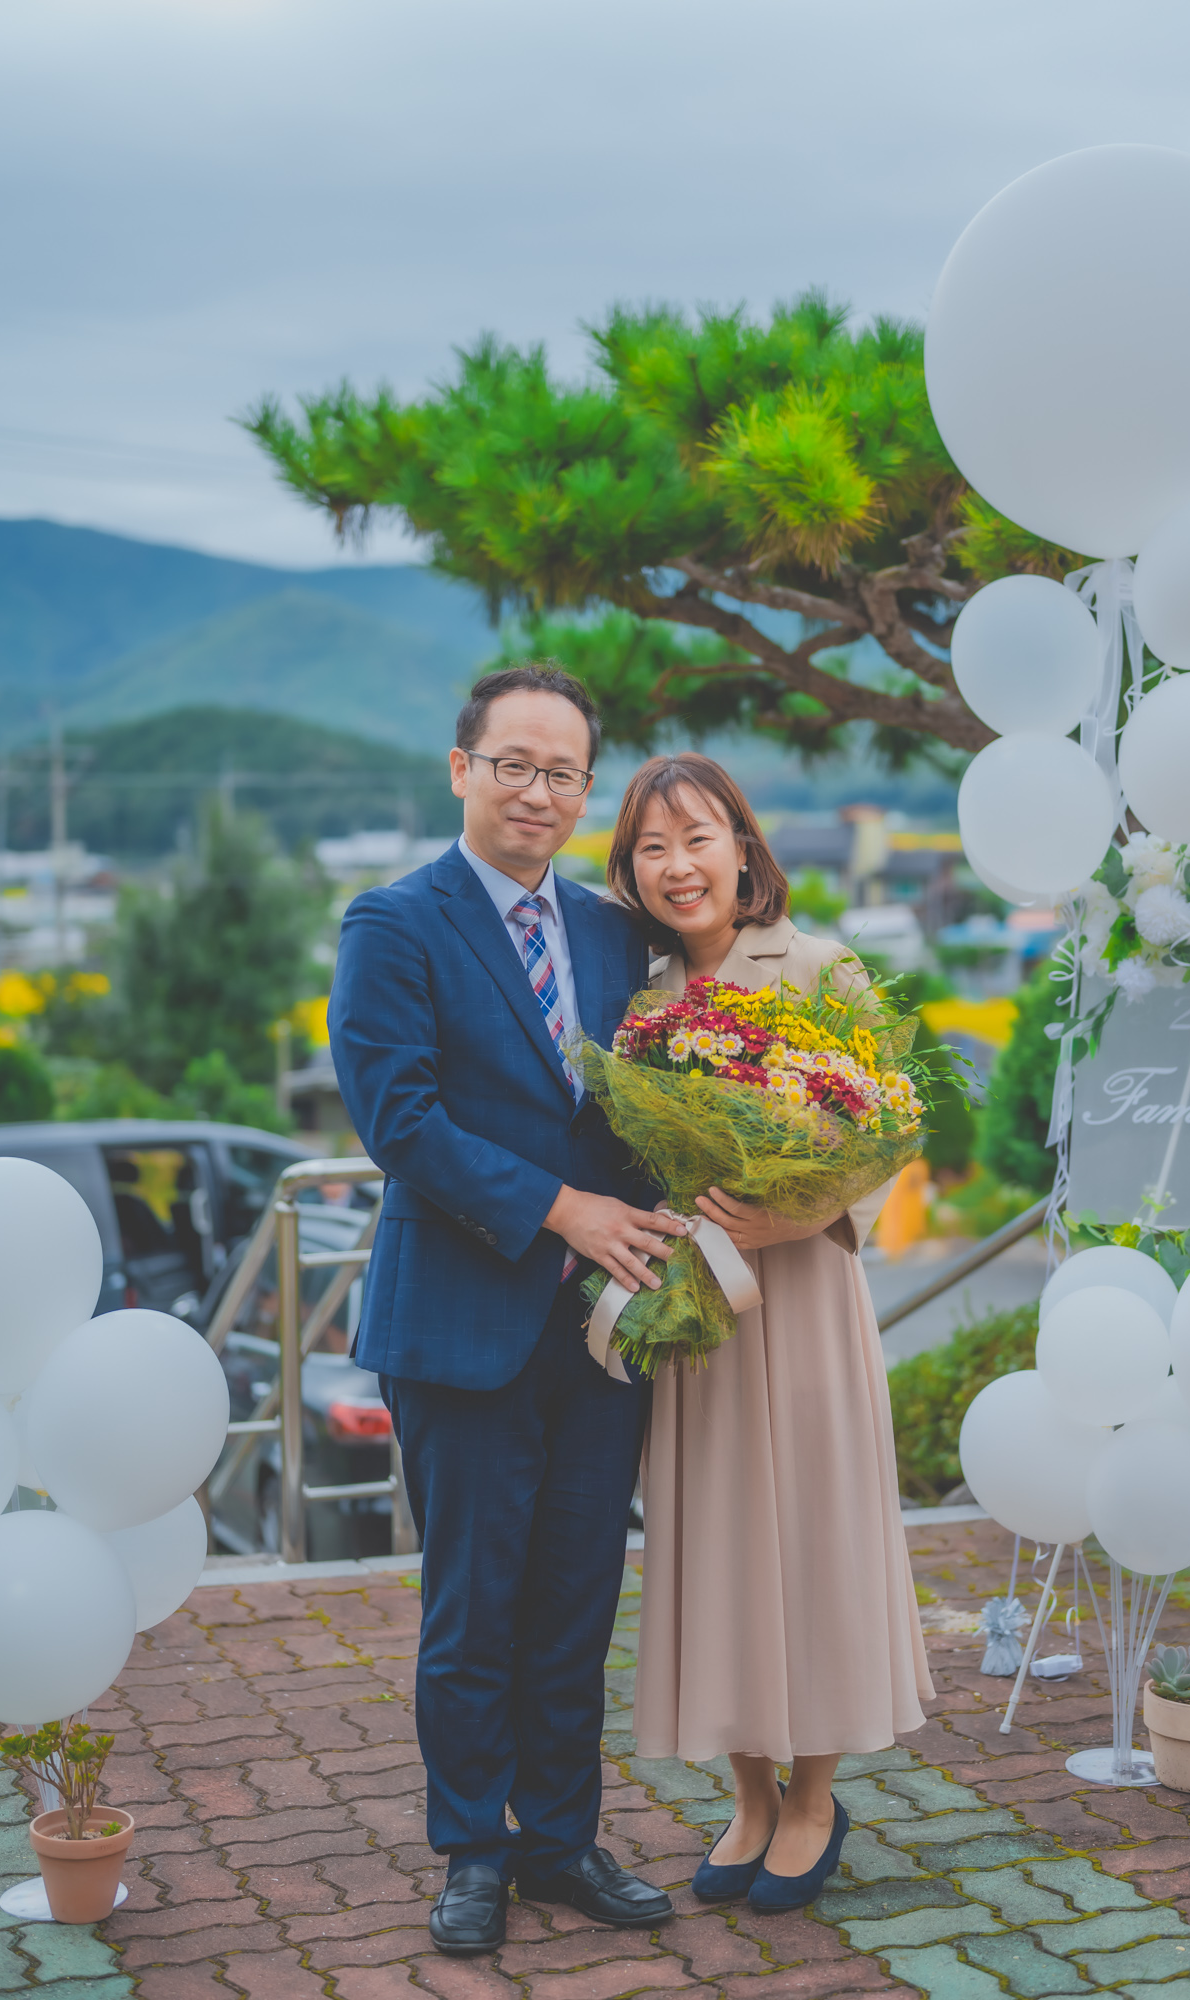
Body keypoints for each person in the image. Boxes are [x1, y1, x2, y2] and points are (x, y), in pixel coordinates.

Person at [328, 665, 683, 1957]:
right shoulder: (392, 922)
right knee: (472, 1606)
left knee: (577, 1596)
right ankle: (472, 1848)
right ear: (461, 769)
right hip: (460, 1323)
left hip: (601, 1328)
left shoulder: (613, 932)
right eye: (514, 764)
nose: (537, 790)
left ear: (586, 790)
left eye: (562, 772)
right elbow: (400, 1119)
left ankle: (562, 1840)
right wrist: (562, 1209)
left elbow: (647, 1108)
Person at [605, 752, 935, 1915]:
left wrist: (800, 1211)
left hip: (801, 1302)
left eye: (696, 837)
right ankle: (748, 1790)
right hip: (700, 1310)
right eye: (651, 846)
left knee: (812, 1534)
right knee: (716, 1539)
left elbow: (891, 1131)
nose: (677, 864)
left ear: (743, 848)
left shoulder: (818, 965)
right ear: (631, 870)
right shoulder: (640, 1007)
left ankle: (814, 1797)